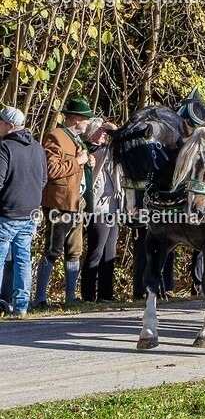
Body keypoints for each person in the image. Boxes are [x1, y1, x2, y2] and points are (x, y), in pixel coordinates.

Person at [34, 97, 95, 308]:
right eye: (87, 120)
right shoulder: (56, 136)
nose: (88, 124)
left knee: (74, 250)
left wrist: (87, 163)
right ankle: (40, 298)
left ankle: (70, 297)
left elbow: (74, 168)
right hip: (59, 203)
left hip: (76, 203)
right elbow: (52, 171)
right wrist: (77, 162)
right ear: (76, 120)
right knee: (53, 249)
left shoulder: (77, 140)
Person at [0, 107, 47, 317]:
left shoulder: (5, 148)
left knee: (1, 258)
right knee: (23, 259)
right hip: (30, 213)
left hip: (7, 211)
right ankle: (21, 307)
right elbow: (44, 179)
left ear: (10, 125)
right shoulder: (37, 148)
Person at [81, 118, 121, 303]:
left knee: (109, 253)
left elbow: (123, 141)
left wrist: (112, 129)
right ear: (91, 133)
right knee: (96, 251)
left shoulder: (108, 151)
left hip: (112, 205)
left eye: (104, 133)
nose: (103, 135)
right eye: (100, 132)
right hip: (97, 207)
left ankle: (106, 294)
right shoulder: (89, 151)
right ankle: (88, 295)